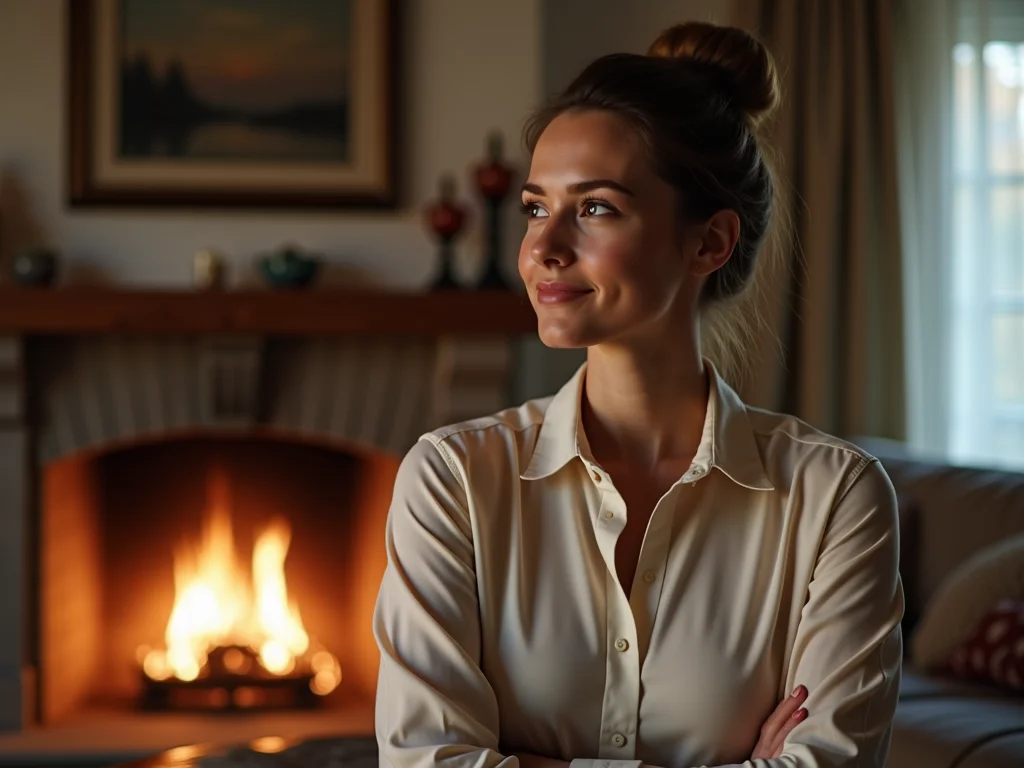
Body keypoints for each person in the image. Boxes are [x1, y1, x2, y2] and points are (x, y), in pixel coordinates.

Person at [373, 21, 904, 768]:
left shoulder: (835, 497)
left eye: (595, 208)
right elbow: (425, 762)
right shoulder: (451, 480)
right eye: (534, 207)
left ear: (709, 243)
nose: (542, 247)